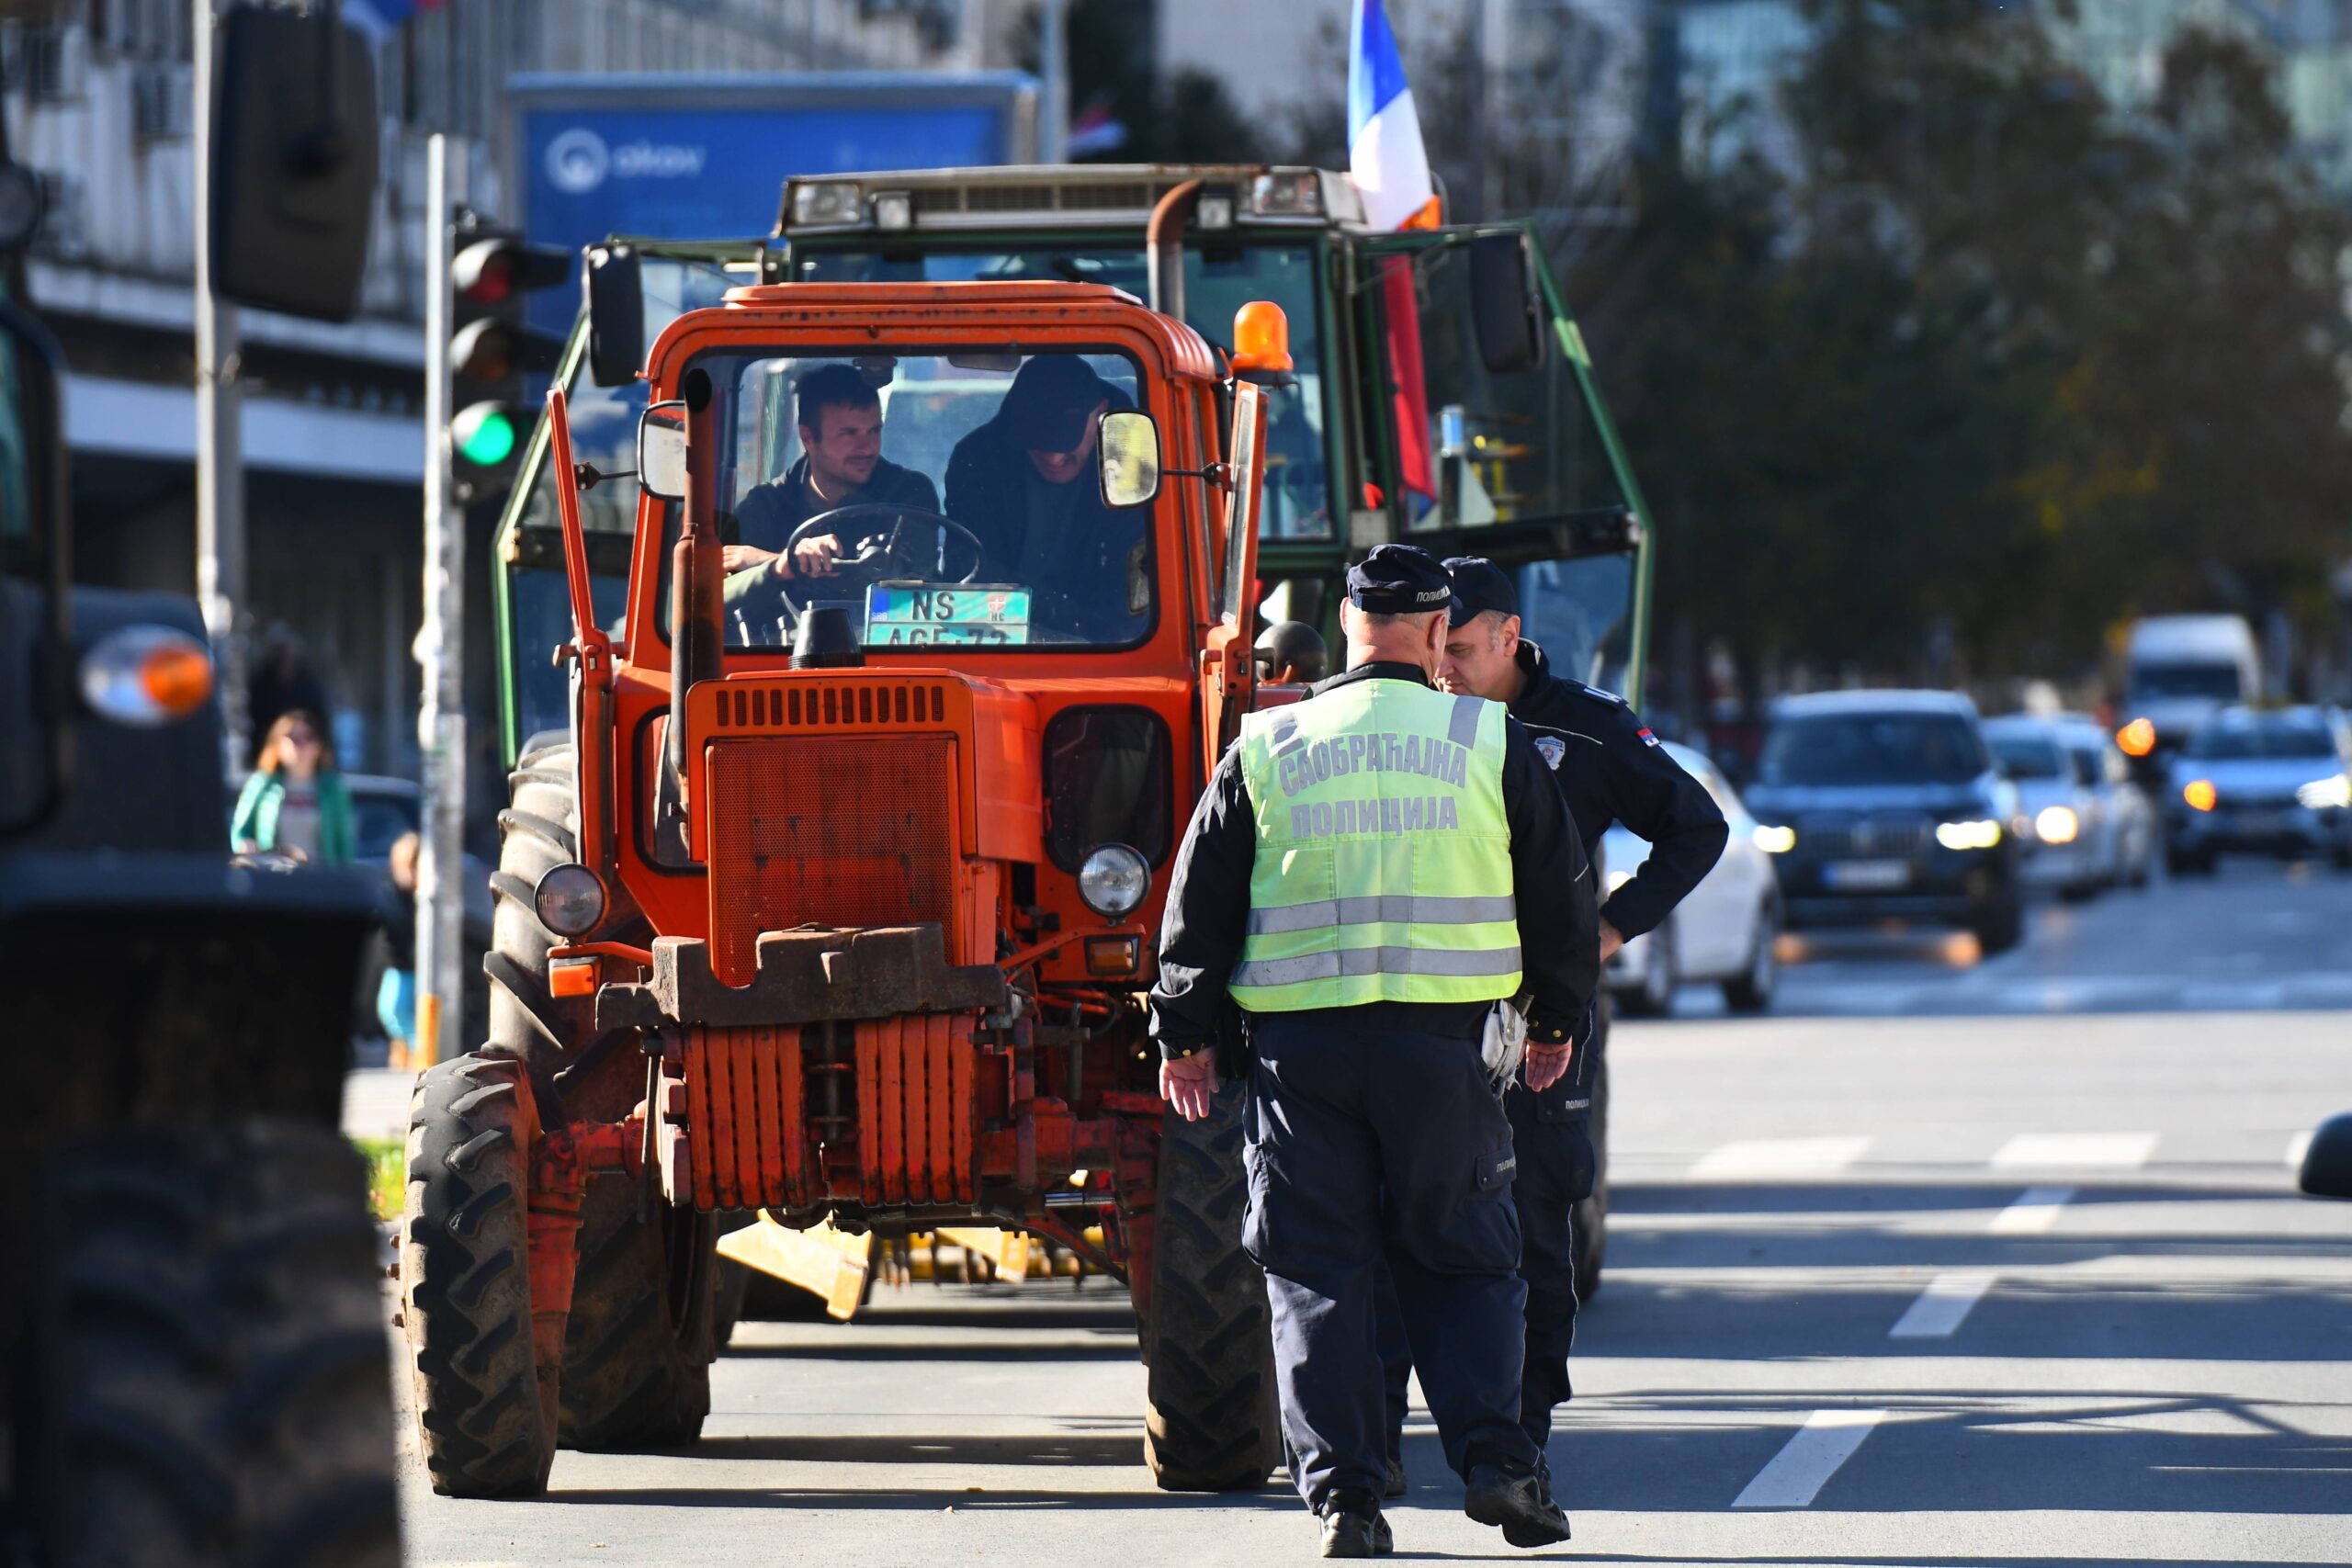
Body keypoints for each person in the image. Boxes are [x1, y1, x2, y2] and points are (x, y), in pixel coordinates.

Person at [1150, 544, 1599, 1558]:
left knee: (1317, 1273)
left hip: (1300, 1054)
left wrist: (1184, 1036)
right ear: (1439, 632)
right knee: (1467, 1258)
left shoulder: (1269, 742)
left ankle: (1347, 1502)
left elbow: (1199, 906)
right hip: (1444, 1051)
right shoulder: (1487, 739)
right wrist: (1557, 1023)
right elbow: (1560, 899)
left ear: (1345, 624)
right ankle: (1498, 1463)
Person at [1375, 555, 1729, 1502]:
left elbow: (1696, 828)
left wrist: (1612, 926)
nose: (1439, 667)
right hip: (1428, 1015)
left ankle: (1518, 1443)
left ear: (1505, 634)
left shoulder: (1585, 730)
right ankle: (1383, 1435)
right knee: (1395, 1222)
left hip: (1545, 1019)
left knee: (1534, 1229)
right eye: (1429, 647)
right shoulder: (1404, 721)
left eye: (1456, 648)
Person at [723, 362, 940, 625]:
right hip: (783, 659)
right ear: (808, 438)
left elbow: (906, 593)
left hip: (887, 658)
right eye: (849, 434)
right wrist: (777, 569)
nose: (867, 447)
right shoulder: (765, 506)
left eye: (874, 431)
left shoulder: (908, 495)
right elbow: (705, 602)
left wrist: (775, 560)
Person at [944, 355, 1143, 641]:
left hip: (1107, 649)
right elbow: (973, 567)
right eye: (1039, 441)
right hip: (996, 640)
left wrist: (1086, 635)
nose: (1054, 457)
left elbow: (1135, 591)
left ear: (1101, 413)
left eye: (1067, 441)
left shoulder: (1135, 468)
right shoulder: (978, 462)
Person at [231, 708, 355, 866]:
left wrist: (343, 881)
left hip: (321, 880)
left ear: (319, 746)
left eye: (308, 737)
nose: (301, 744)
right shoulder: (263, 784)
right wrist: (246, 845)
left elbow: (343, 846)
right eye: (293, 737)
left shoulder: (333, 789)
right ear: (278, 744)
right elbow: (240, 832)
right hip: (273, 878)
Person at [377, 831, 421, 1058]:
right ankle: (408, 1048)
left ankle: (414, 1049)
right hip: (398, 963)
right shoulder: (393, 895)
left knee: (398, 1010)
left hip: (408, 965)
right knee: (390, 1010)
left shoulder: (420, 900)